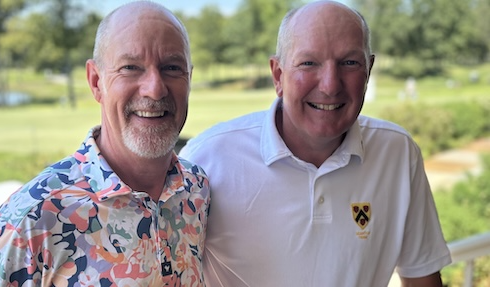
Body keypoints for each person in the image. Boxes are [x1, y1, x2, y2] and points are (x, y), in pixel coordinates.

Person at [179, 1, 451, 286]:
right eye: (309, 63)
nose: (330, 85)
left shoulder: (397, 153)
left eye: (349, 63)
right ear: (278, 75)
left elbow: (422, 276)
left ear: (368, 70)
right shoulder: (207, 159)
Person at [0, 2, 210, 286]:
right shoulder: (31, 222)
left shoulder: (196, 191)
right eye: (130, 67)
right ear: (96, 82)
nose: (154, 88)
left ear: (189, 78)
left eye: (171, 67)